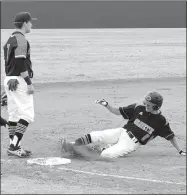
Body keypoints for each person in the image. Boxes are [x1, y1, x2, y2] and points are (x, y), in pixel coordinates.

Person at [61, 91, 186, 159]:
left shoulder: (161, 121)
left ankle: (89, 152)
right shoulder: (138, 108)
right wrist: (106, 105)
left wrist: (180, 151)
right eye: (146, 103)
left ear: (156, 106)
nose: (146, 105)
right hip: (122, 131)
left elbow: (171, 137)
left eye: (149, 104)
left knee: (107, 155)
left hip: (131, 142)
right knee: (97, 135)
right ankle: (72, 145)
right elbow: (117, 111)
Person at [3, 12, 36, 158]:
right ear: (24, 23)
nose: (31, 24)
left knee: (14, 114)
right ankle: (14, 146)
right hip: (18, 81)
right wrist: (28, 83)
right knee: (27, 114)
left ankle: (15, 145)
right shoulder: (21, 39)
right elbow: (20, 62)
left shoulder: (10, 39)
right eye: (30, 22)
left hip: (9, 79)